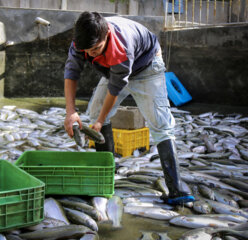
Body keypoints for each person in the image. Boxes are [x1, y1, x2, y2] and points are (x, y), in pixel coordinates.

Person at [63, 11, 195, 205]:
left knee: (160, 123)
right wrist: (70, 112)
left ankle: (176, 188)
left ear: (106, 34)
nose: (91, 54)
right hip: (115, 69)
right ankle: (108, 171)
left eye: (96, 49)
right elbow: (71, 71)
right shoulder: (81, 41)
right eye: (87, 50)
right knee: (94, 111)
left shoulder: (121, 46)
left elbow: (115, 88)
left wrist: (101, 120)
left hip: (147, 66)